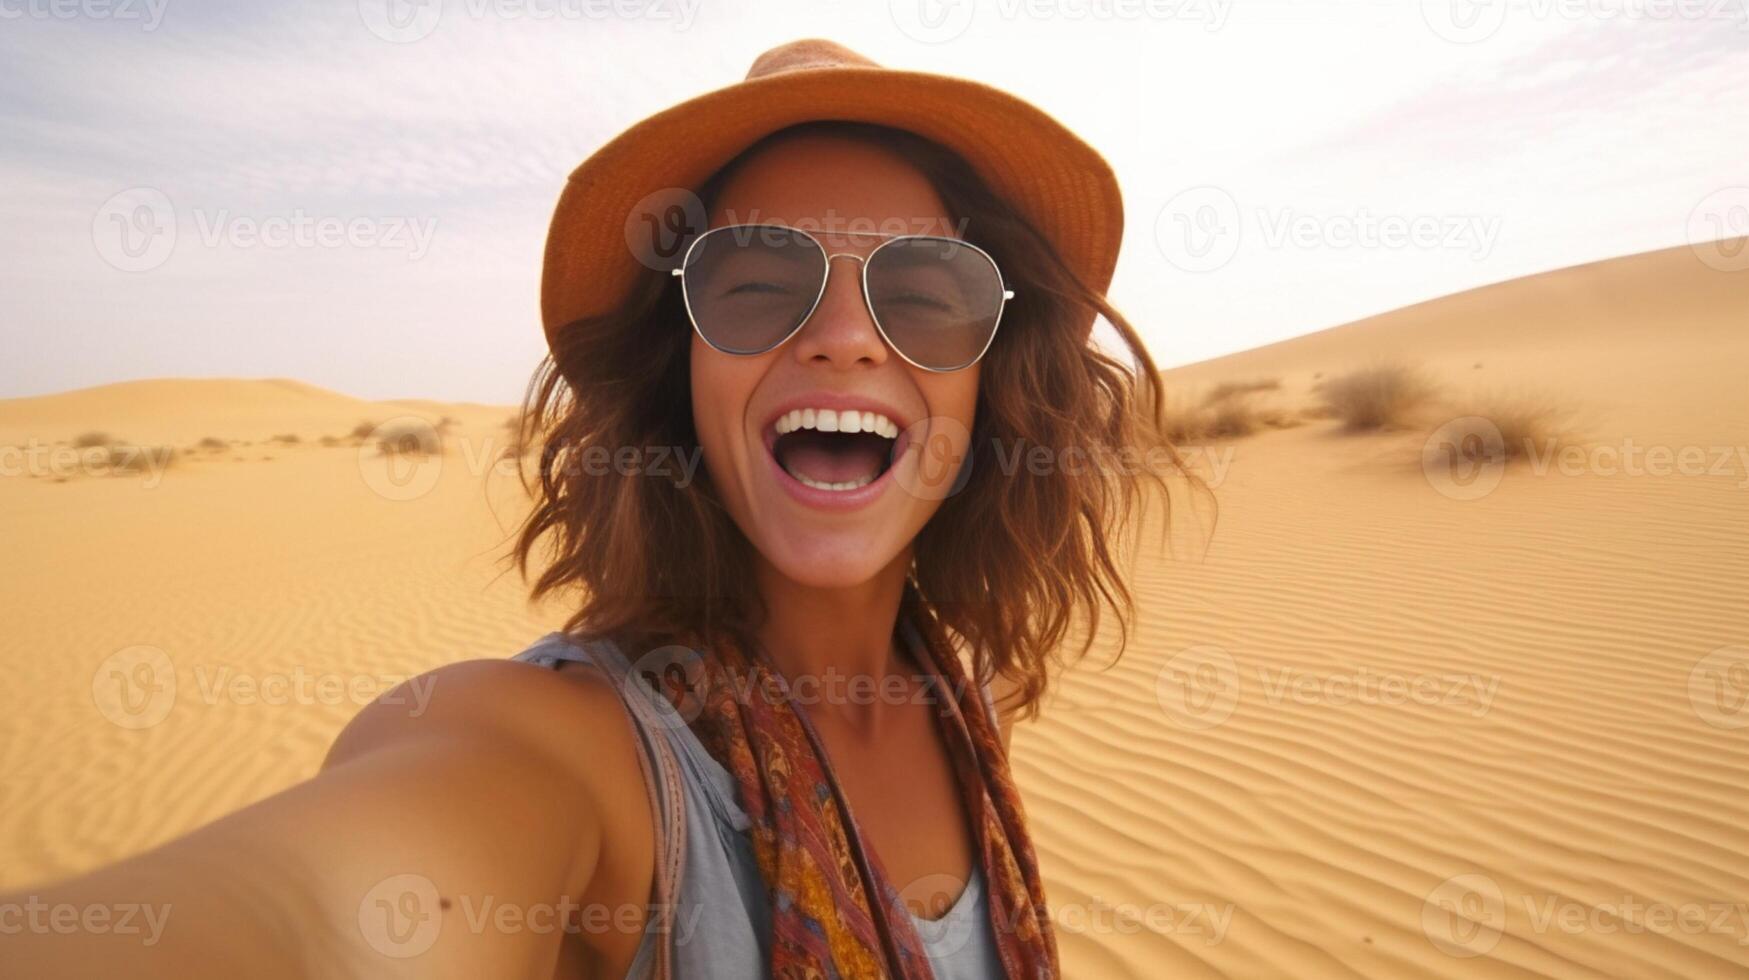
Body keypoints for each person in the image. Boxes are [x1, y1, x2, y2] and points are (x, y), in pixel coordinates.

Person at [4, 38, 1185, 979]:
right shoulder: (580, 754)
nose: (843, 336)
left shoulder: (959, 696)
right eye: (757, 285)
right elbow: (332, 913)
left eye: (925, 293)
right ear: (679, 370)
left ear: (993, 373)